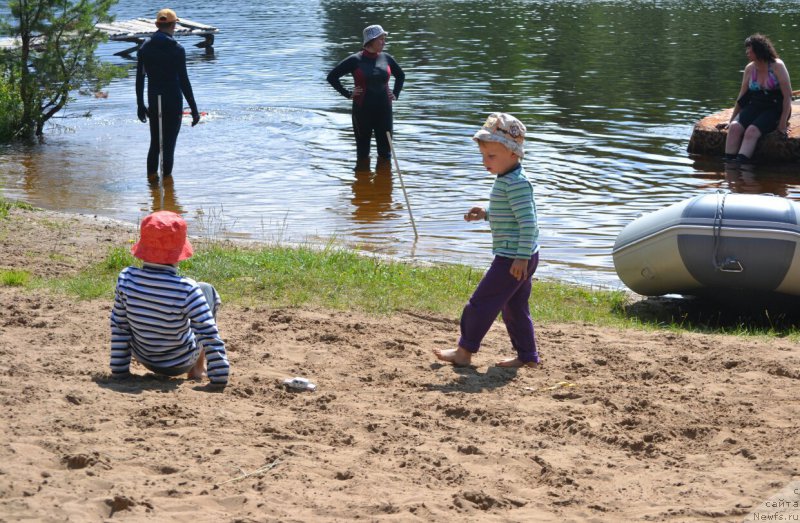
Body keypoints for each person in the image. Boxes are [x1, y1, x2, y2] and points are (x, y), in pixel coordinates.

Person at [434, 113, 540, 368]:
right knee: (514, 307)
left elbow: (528, 224)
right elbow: (511, 215)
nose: (485, 161)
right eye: (483, 155)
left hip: (514, 258)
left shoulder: (516, 184)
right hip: (522, 255)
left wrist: (521, 258)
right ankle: (527, 356)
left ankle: (464, 351)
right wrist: (486, 213)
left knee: (480, 303)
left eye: (491, 156)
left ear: (513, 153)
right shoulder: (508, 178)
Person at [110, 211, 230, 386]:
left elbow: (120, 326)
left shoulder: (126, 278)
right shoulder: (188, 288)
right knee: (206, 289)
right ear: (179, 251)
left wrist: (119, 371)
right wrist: (220, 377)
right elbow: (208, 333)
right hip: (180, 363)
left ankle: (123, 366)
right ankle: (197, 369)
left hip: (143, 356)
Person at [136, 8, 201, 179]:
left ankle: (152, 186)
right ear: (173, 26)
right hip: (172, 100)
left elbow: (140, 79)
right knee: (168, 146)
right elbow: (184, 81)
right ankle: (166, 187)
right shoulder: (177, 49)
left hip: (154, 99)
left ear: (157, 25)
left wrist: (140, 105)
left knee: (155, 145)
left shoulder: (145, 47)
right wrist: (194, 109)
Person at [327, 24, 406, 165]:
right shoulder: (355, 60)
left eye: (384, 39)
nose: (384, 42)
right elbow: (332, 77)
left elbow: (400, 75)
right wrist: (348, 94)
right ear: (371, 40)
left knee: (386, 154)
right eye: (381, 39)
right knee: (363, 154)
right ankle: (362, 176)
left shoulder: (386, 58)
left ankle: (383, 179)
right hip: (362, 113)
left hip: (384, 112)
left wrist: (395, 93)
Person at [716, 34, 792, 163]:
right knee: (734, 127)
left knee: (751, 131)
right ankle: (729, 166)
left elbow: (787, 96)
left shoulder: (777, 66)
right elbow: (742, 96)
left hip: (775, 107)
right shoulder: (750, 68)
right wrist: (732, 119)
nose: (747, 52)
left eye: (749, 49)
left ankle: (741, 164)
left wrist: (782, 123)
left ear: (759, 50)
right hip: (756, 105)